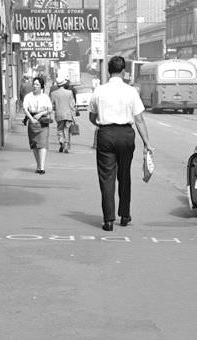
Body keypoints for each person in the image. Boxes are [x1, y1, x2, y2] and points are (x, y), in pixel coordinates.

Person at [88, 55, 153, 231]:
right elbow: (139, 119)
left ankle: (108, 220)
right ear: (123, 71)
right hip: (126, 135)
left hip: (106, 135)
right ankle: (124, 215)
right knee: (124, 175)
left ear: (109, 71)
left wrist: (102, 125)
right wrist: (147, 143)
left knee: (107, 177)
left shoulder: (99, 91)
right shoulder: (131, 91)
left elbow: (92, 116)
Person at [22, 75, 52, 174]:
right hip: (32, 120)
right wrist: (31, 118)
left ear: (41, 86)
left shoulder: (45, 97)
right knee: (34, 144)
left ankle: (42, 167)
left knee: (42, 144)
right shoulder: (28, 96)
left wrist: (41, 114)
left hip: (43, 121)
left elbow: (50, 109)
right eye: (34, 84)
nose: (35, 86)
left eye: (37, 85)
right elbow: (25, 108)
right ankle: (38, 164)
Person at [50, 75, 77, 154]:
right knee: (67, 130)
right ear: (64, 84)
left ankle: (61, 142)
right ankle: (66, 145)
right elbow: (72, 105)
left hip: (59, 114)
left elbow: (51, 106)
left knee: (60, 129)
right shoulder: (69, 92)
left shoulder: (53, 93)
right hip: (68, 114)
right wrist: (74, 116)